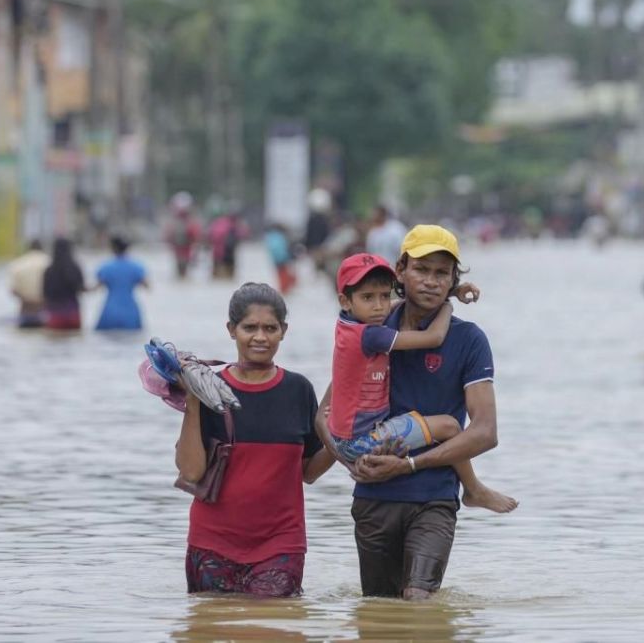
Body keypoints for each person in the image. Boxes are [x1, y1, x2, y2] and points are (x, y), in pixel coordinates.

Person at [316, 225, 506, 600]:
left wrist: (409, 466)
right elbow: (326, 413)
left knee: (418, 602)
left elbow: (485, 432)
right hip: (373, 496)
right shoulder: (372, 328)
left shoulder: (469, 340)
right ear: (401, 271)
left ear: (453, 279)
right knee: (377, 611)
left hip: (434, 495)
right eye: (422, 270)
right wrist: (349, 460)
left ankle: (472, 491)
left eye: (442, 273)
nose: (432, 282)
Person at [174, 283, 333, 596]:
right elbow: (191, 473)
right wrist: (192, 400)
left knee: (275, 627)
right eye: (250, 328)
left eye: (270, 328)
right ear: (232, 330)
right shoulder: (209, 390)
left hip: (280, 545)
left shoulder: (298, 390)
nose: (261, 337)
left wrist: (342, 440)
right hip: (212, 543)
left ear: (283, 331)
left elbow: (309, 472)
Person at [326, 253, 516, 514]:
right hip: (361, 443)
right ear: (345, 301)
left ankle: (474, 489)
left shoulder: (349, 324)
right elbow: (434, 336)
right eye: (369, 298)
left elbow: (382, 303)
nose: (380, 306)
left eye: (384, 296)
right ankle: (473, 489)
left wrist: (450, 290)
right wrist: (448, 302)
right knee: (449, 425)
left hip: (346, 441)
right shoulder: (372, 335)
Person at [95, 236, 148, 331]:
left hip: (110, 310)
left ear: (113, 248)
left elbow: (96, 287)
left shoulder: (106, 267)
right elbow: (147, 286)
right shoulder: (136, 266)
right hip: (130, 311)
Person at [42, 238, 87, 331]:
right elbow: (81, 289)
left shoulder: (49, 271)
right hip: (73, 315)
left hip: (55, 316)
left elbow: (45, 294)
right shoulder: (75, 268)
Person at [8, 239, 49, 328]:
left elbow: (13, 291)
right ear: (42, 249)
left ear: (28, 249)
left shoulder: (17, 264)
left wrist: (28, 299)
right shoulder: (49, 262)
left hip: (26, 311)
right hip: (45, 311)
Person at [166, 192, 203, 280]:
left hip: (182, 251)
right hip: (184, 251)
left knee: (180, 271)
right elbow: (196, 238)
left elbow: (168, 237)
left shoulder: (175, 223)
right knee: (183, 272)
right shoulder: (190, 223)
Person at [264, 223, 297, 295]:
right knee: (284, 273)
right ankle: (285, 288)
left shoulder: (270, 236)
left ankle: (284, 287)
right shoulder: (280, 236)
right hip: (282, 257)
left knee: (281, 273)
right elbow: (282, 248)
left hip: (276, 258)